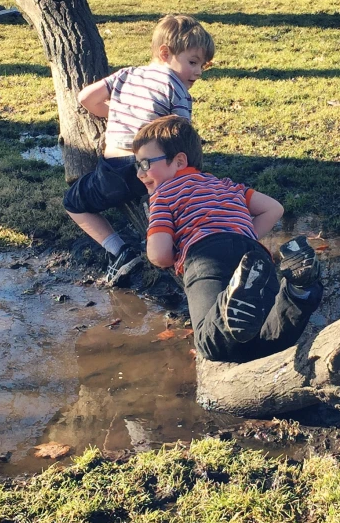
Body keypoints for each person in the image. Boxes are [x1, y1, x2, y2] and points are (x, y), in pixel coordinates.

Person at [132, 115, 324, 363]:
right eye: (137, 165)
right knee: (272, 339)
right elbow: (274, 209)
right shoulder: (224, 185)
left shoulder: (164, 194)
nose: (139, 173)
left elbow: (159, 255)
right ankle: (299, 292)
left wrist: (173, 255)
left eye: (146, 164)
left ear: (179, 161)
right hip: (252, 253)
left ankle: (229, 305)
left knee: (210, 344)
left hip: (205, 255)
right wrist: (244, 234)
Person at [63, 14, 215, 286]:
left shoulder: (126, 75)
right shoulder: (177, 89)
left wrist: (113, 111)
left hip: (115, 169)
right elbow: (180, 134)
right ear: (165, 53)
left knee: (73, 203)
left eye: (202, 65)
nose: (198, 72)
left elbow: (85, 98)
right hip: (153, 169)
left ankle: (119, 250)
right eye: (193, 62)